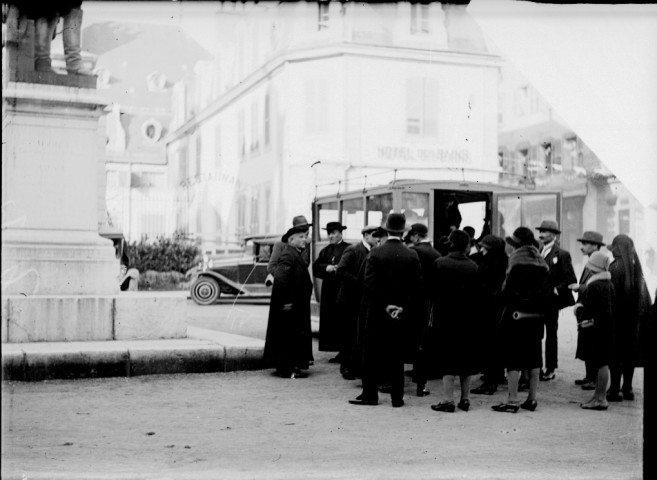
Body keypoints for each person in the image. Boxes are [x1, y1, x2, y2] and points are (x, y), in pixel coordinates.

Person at [349, 213, 422, 408]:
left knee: (371, 354)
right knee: (396, 356)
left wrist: (386, 305)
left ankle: (370, 396)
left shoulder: (375, 253)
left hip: (376, 312)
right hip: (400, 314)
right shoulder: (411, 254)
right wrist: (401, 307)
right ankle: (397, 398)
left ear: (386, 230)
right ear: (403, 231)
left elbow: (369, 284)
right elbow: (416, 287)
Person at [492, 227, 550, 413]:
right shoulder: (542, 263)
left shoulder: (516, 262)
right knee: (534, 359)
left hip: (516, 317)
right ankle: (532, 399)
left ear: (516, 245)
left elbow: (506, 292)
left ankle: (512, 400)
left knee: (513, 359)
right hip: (536, 318)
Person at [429, 230, 480, 413]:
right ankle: (465, 399)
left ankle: (448, 400)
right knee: (465, 359)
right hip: (468, 319)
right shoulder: (473, 266)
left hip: (445, 317)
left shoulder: (440, 263)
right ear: (467, 245)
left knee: (447, 359)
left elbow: (431, 291)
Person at [263, 225, 314, 379]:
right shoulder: (288, 255)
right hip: (290, 304)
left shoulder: (293, 254)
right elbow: (281, 279)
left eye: (304, 236)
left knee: (292, 337)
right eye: (301, 237)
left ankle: (291, 366)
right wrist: (286, 302)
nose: (304, 240)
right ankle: (286, 369)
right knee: (288, 337)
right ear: (291, 240)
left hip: (295, 304)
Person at [607, 234, 651, 402]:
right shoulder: (636, 268)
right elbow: (645, 298)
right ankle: (628, 388)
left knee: (615, 356)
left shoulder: (614, 268)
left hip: (617, 320)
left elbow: (610, 295)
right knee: (629, 356)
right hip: (633, 322)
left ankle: (614, 390)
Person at [335, 225, 380, 380]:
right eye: (375, 235)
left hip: (362, 300)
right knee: (348, 335)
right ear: (366, 235)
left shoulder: (375, 251)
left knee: (358, 335)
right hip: (349, 300)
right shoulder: (353, 250)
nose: (377, 239)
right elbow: (341, 270)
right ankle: (346, 367)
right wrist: (359, 282)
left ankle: (356, 367)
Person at [572, 251, 615, 410]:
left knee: (600, 363)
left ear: (594, 268)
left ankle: (600, 398)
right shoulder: (608, 284)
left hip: (596, 330)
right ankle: (598, 396)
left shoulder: (595, 285)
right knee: (601, 363)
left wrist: (578, 310)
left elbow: (590, 311)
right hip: (606, 329)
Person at [536, 220, 576, 381]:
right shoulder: (538, 251)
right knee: (537, 334)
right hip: (538, 300)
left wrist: (556, 289)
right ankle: (536, 367)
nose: (541, 234)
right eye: (541, 231)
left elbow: (570, 278)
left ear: (553, 235)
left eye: (544, 232)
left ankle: (551, 368)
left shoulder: (562, 254)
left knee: (551, 334)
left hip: (551, 302)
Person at [405, 222, 441, 397]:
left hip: (411, 301)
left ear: (416, 236)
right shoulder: (436, 253)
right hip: (428, 304)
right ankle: (421, 384)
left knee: (405, 339)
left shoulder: (414, 252)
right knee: (422, 343)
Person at [470, 234, 508, 395]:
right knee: (496, 344)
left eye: (485, 247)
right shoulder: (502, 259)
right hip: (497, 308)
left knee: (488, 345)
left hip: (488, 308)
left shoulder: (489, 263)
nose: (482, 249)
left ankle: (490, 382)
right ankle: (496, 375)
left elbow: (483, 284)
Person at [569, 231, 607, 390]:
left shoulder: (598, 262)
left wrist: (580, 287)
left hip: (591, 311)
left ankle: (593, 379)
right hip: (584, 309)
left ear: (595, 246)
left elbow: (598, 285)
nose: (582, 247)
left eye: (585, 244)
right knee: (585, 343)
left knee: (591, 344)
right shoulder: (590, 261)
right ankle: (589, 376)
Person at [312, 221, 351, 359]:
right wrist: (326, 268)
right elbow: (316, 268)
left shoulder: (349, 248)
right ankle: (337, 350)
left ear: (340, 233)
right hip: (329, 290)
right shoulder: (325, 251)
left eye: (333, 233)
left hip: (342, 289)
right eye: (329, 233)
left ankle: (345, 351)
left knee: (343, 321)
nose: (330, 236)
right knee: (332, 321)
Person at [266, 215, 312, 285]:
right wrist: (287, 278)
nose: (306, 231)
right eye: (302, 229)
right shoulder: (280, 244)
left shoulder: (310, 243)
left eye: (307, 228)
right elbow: (271, 267)